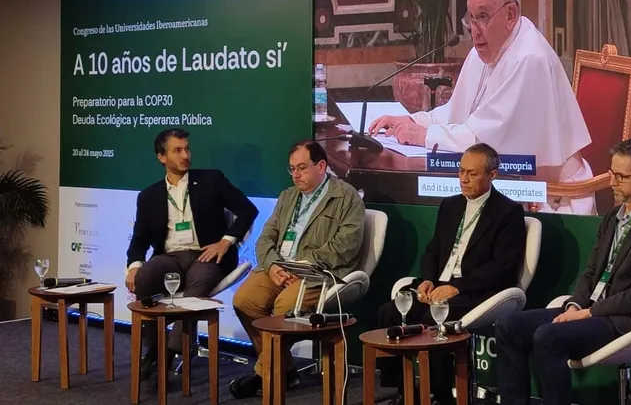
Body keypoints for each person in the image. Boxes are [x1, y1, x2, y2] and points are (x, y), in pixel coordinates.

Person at [369, 0, 594, 215]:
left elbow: (482, 142)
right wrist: (412, 121)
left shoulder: (529, 59)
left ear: (510, 14)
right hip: (511, 185)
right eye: (471, 19)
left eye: (483, 17)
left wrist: (423, 135)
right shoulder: (485, 50)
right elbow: (456, 113)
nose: (475, 31)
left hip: (550, 197)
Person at [494, 138, 631, 405]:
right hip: (593, 310)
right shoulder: (612, 218)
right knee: (509, 326)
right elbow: (591, 272)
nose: (612, 182)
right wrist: (575, 305)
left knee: (548, 337)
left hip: (628, 320)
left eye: (621, 177)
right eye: (611, 173)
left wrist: (589, 312)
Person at [377, 143, 527, 405]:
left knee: (433, 318)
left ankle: (442, 395)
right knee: (389, 312)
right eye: (461, 171)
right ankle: (402, 391)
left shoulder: (508, 212)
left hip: (474, 290)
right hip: (438, 285)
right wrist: (427, 280)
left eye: (472, 173)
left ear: (492, 175)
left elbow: (501, 268)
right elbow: (433, 250)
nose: (464, 179)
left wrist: (457, 287)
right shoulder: (450, 205)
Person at [229, 140, 366, 399]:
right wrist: (271, 265)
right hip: (280, 267)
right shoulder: (287, 196)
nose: (295, 174)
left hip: (319, 273)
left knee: (285, 308)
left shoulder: (345, 197)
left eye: (302, 168)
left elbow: (345, 246)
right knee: (244, 300)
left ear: (321, 166)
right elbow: (265, 238)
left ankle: (263, 374)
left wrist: (301, 265)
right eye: (291, 169)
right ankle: (285, 370)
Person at [126, 128, 259, 380]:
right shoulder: (149, 196)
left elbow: (247, 210)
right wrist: (134, 265)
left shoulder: (211, 180)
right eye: (177, 150)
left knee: (199, 278)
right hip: (170, 257)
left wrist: (225, 241)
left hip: (207, 254)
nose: (185, 155)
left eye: (187, 149)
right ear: (162, 157)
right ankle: (154, 348)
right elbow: (140, 238)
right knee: (146, 276)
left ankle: (170, 352)